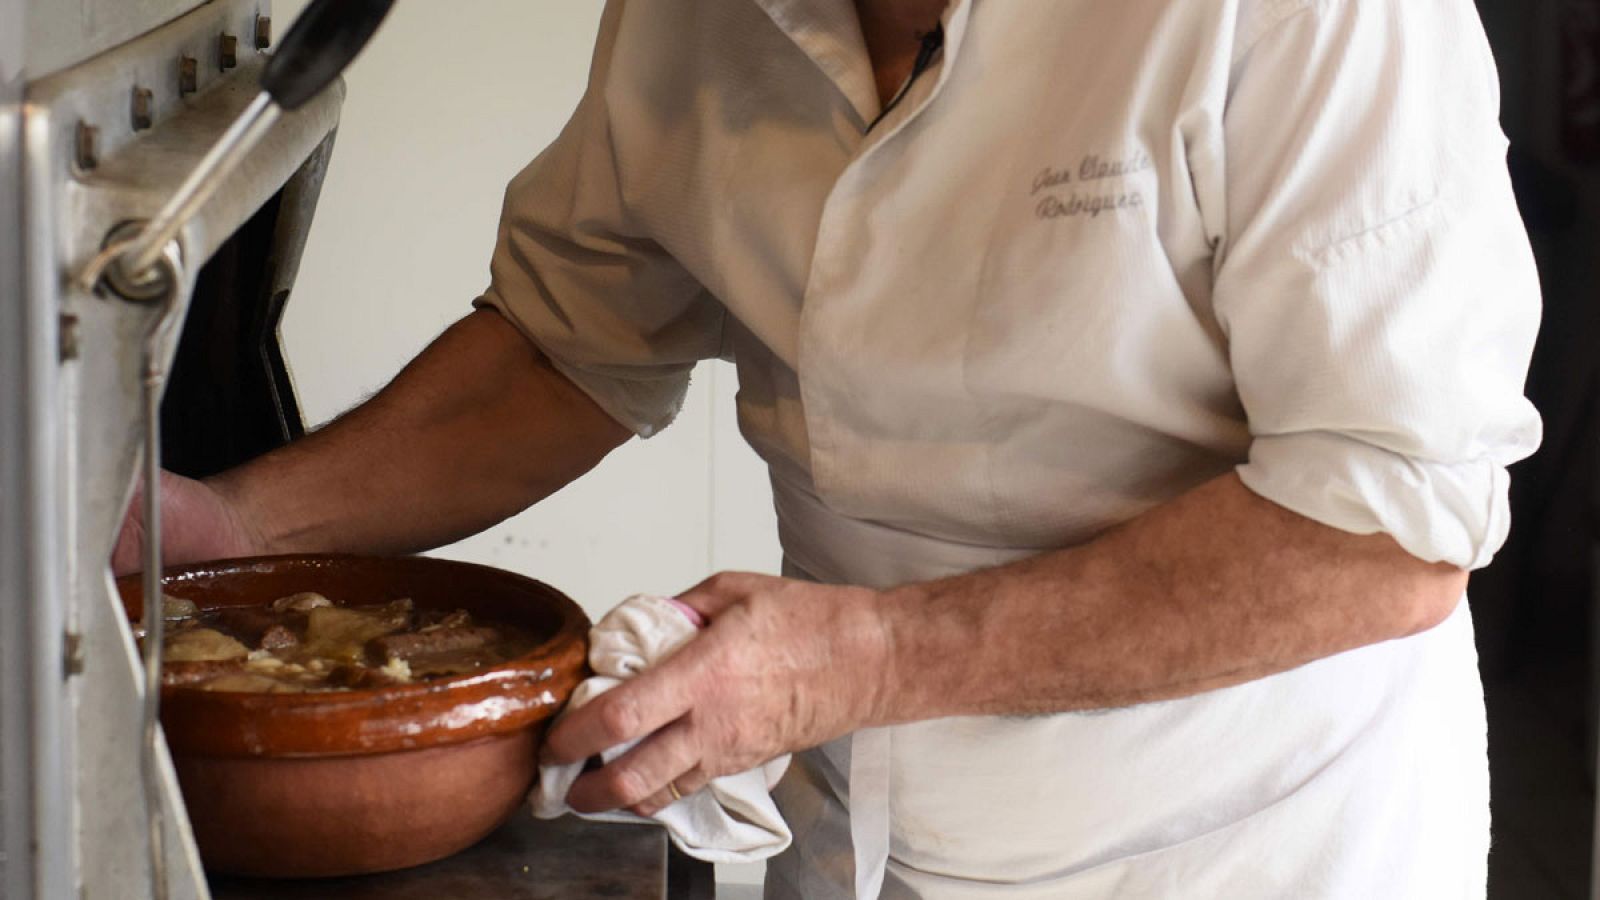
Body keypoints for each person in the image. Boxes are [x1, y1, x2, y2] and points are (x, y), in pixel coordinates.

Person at [117, 0, 1543, 895]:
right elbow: (567, 343)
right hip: (856, 808)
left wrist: (861, 662)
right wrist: (234, 530)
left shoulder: (1311, 15)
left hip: (1239, 837)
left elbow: (1386, 527)